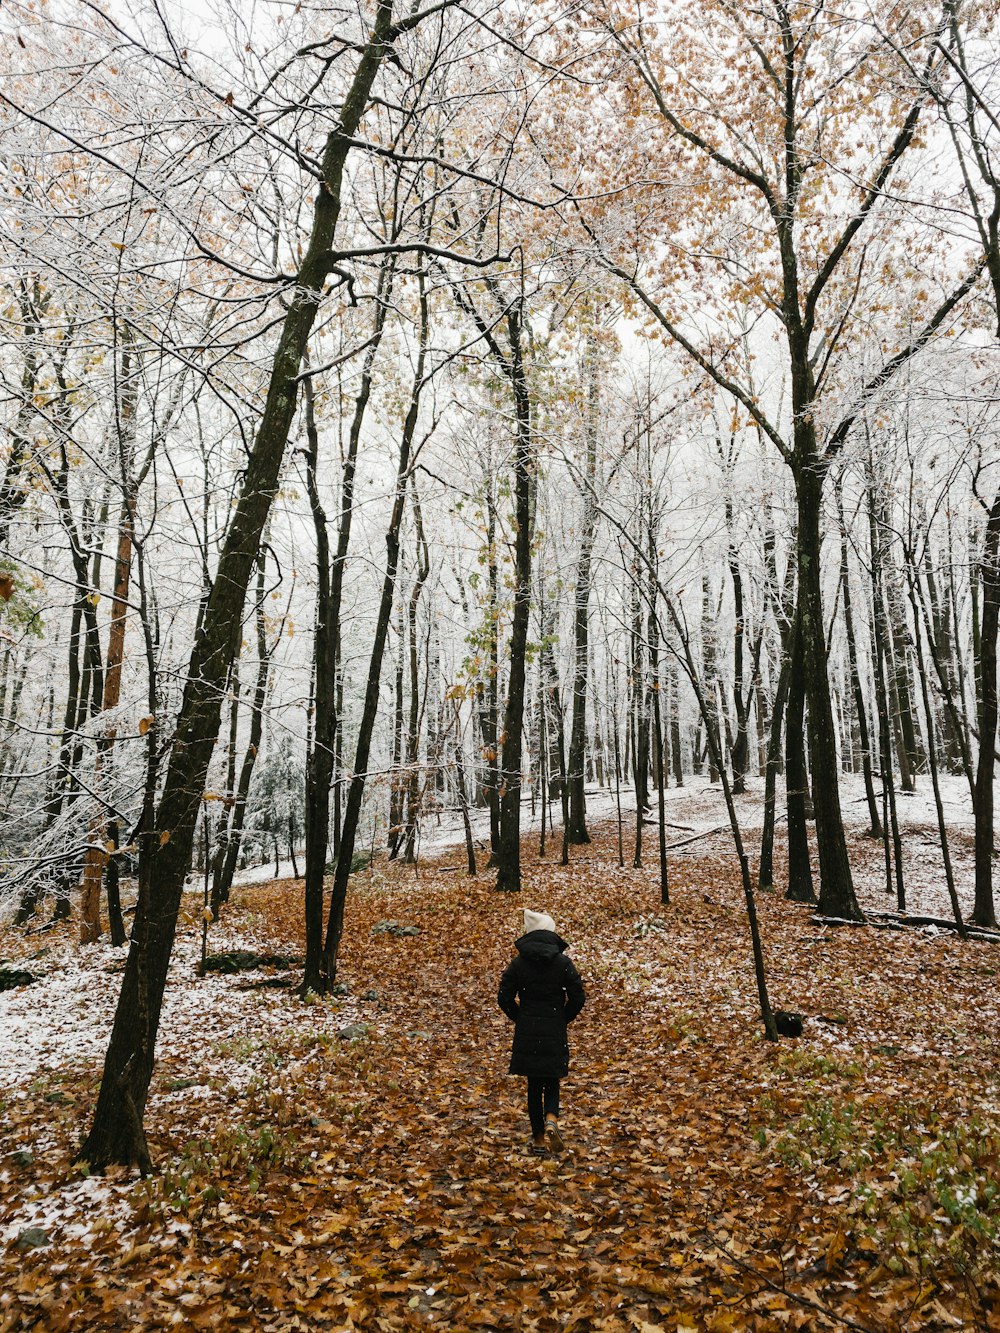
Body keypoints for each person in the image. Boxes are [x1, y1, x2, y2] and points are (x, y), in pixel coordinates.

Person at [497, 909, 586, 1154]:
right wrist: (562, 1018)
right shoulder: (563, 963)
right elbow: (578, 996)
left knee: (534, 1086)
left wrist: (520, 1018)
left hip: (528, 1030)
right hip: (554, 1028)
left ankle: (537, 1140)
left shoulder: (518, 964)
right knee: (553, 1080)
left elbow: (504, 997)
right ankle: (551, 1119)